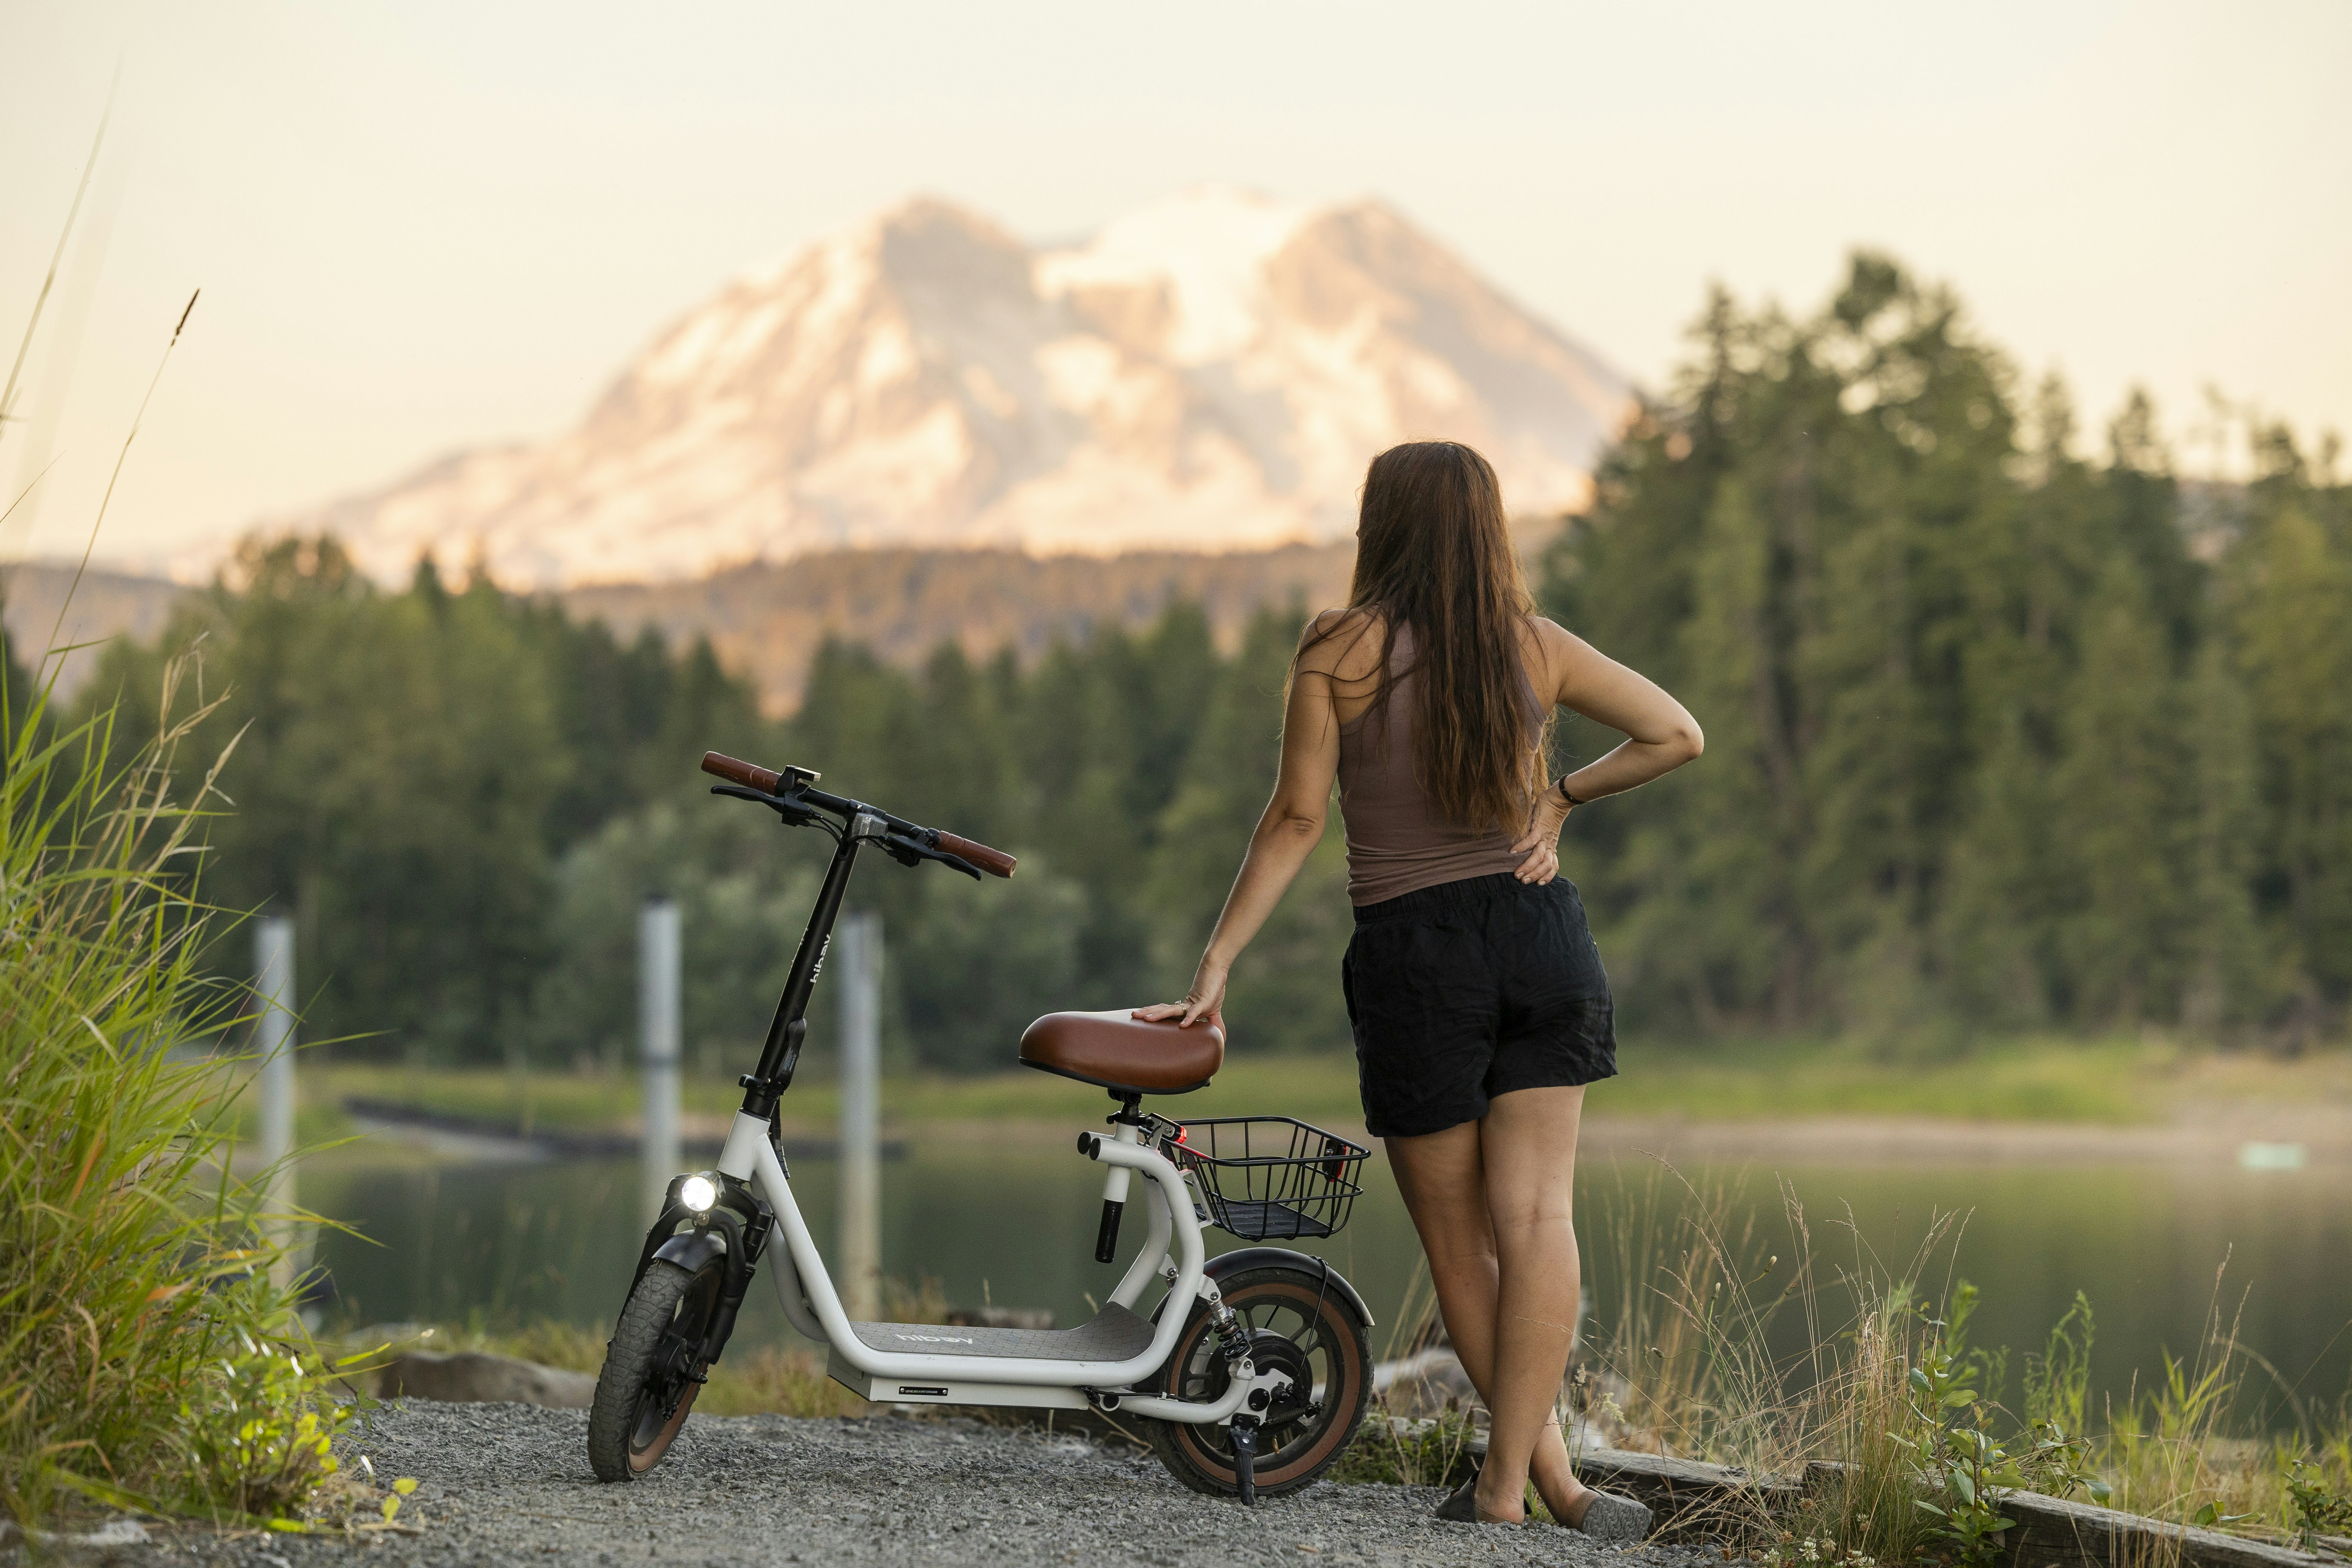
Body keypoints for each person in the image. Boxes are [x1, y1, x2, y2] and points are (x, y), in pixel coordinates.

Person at [1137, 440, 1703, 1534]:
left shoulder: (1339, 648)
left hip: (1416, 960)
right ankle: (1542, 1485)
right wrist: (1565, 800)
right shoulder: (1533, 648)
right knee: (1540, 1218)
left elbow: (1298, 818)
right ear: (1487, 530)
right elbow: (1677, 733)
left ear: (1379, 527)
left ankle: (1517, 1492)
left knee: (1462, 1245)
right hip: (1542, 938)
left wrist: (1215, 966)